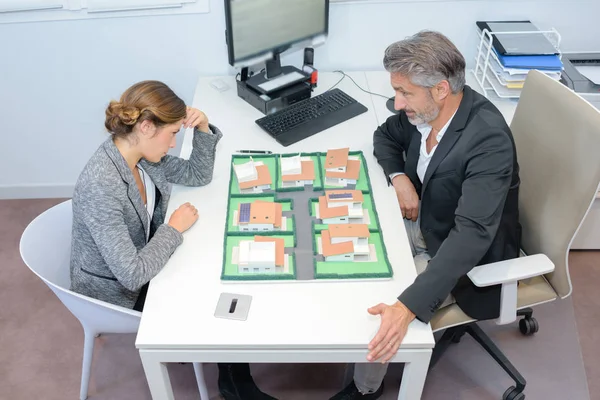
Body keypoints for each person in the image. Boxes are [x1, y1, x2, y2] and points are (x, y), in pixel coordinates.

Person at [330, 31, 521, 399]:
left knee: (386, 304)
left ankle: (365, 389)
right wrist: (400, 177)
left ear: (441, 89)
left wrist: (406, 307)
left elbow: (471, 236)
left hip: (459, 250)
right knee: (349, 230)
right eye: (397, 91)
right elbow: (385, 135)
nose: (398, 103)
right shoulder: (424, 112)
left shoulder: (487, 140)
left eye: (406, 93)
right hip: (427, 216)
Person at [69, 80, 276, 400]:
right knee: (214, 290)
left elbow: (197, 175)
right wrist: (173, 229)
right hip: (116, 289)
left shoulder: (141, 155)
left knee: (216, 259)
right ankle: (235, 386)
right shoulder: (101, 184)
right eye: (173, 134)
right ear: (148, 126)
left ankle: (228, 370)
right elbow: (131, 274)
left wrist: (203, 128)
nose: (173, 144)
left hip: (141, 255)